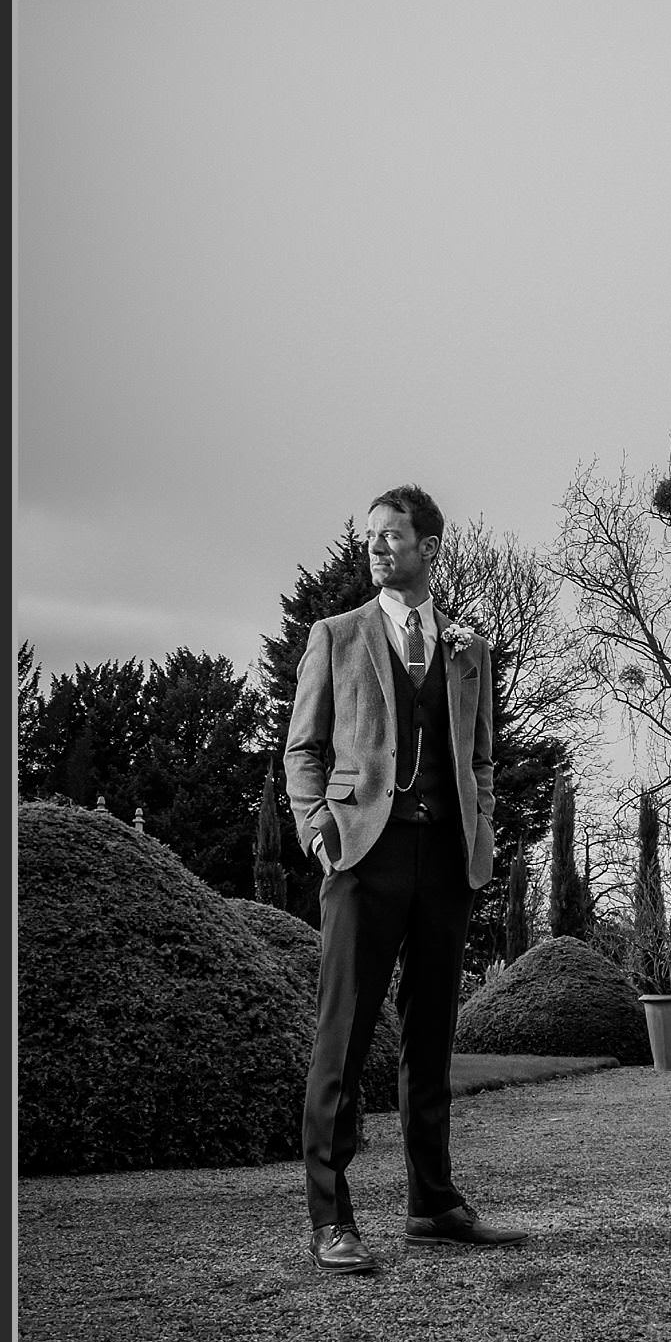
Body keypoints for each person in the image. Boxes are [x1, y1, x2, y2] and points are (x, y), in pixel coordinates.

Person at [284, 485, 524, 1272]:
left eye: (393, 538)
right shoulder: (337, 634)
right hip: (362, 857)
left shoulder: (469, 652)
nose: (378, 550)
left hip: (444, 861)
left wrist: (480, 825)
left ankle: (434, 1204)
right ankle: (332, 1215)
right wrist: (318, 826)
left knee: (431, 1039)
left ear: (430, 547)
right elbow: (304, 748)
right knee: (344, 1035)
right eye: (372, 540)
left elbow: (483, 758)